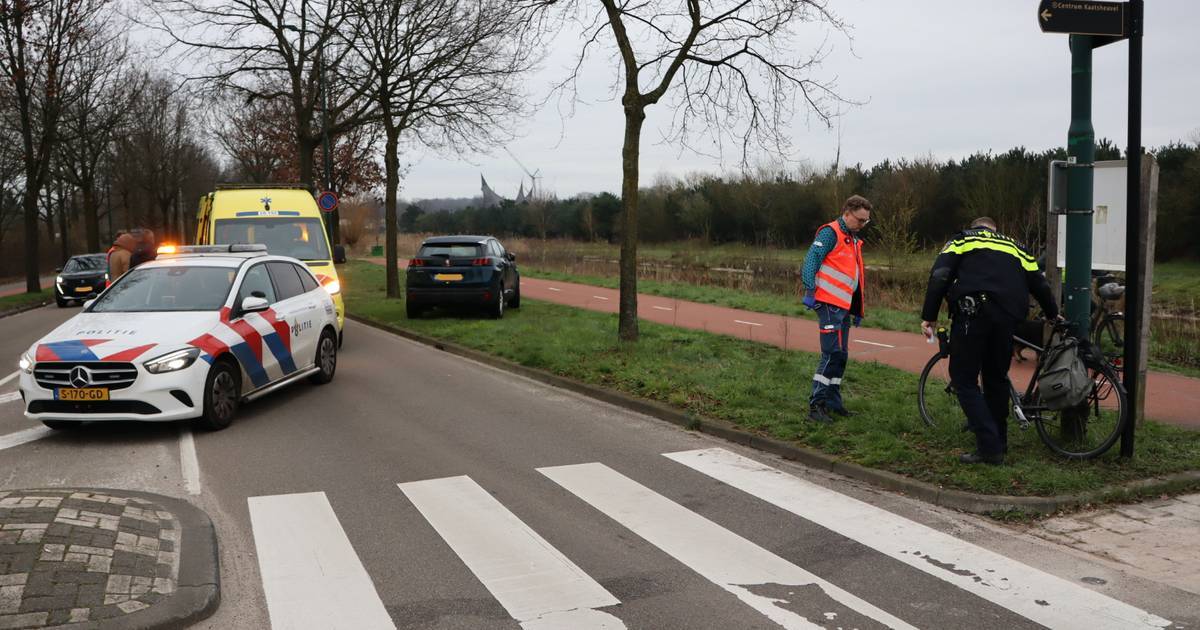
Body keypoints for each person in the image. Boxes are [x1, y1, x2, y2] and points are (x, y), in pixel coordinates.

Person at [920, 217, 1060, 465]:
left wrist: (929, 317)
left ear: (976, 227)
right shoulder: (1015, 246)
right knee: (996, 380)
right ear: (995, 230)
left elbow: (940, 275)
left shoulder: (962, 239)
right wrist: (1051, 313)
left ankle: (989, 446)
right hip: (1007, 320)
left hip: (973, 316)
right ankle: (1000, 443)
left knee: (963, 380)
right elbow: (1039, 282)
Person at [800, 195, 872, 423]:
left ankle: (832, 401)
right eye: (860, 220)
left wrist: (857, 309)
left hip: (843, 307)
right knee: (830, 354)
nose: (862, 225)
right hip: (828, 304)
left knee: (841, 355)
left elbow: (853, 278)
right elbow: (811, 259)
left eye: (866, 221)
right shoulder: (831, 233)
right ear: (847, 213)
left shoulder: (852, 239)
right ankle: (816, 405)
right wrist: (810, 290)